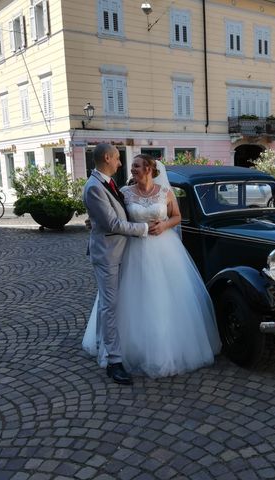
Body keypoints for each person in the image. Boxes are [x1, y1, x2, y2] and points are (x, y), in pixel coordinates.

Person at [83, 154, 221, 379]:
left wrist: (165, 225)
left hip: (164, 250)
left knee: (164, 298)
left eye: (136, 166)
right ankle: (126, 350)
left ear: (149, 169)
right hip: (132, 249)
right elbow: (113, 217)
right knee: (130, 298)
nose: (131, 170)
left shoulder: (165, 192)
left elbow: (177, 216)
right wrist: (94, 221)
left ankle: (167, 346)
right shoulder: (124, 193)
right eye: (132, 167)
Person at [83, 144, 152, 385]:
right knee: (110, 306)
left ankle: (104, 344)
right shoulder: (94, 187)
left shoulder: (107, 183)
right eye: (117, 159)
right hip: (108, 254)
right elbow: (112, 224)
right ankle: (114, 362)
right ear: (107, 158)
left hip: (119, 251)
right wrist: (144, 228)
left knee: (107, 303)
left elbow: (114, 213)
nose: (120, 163)